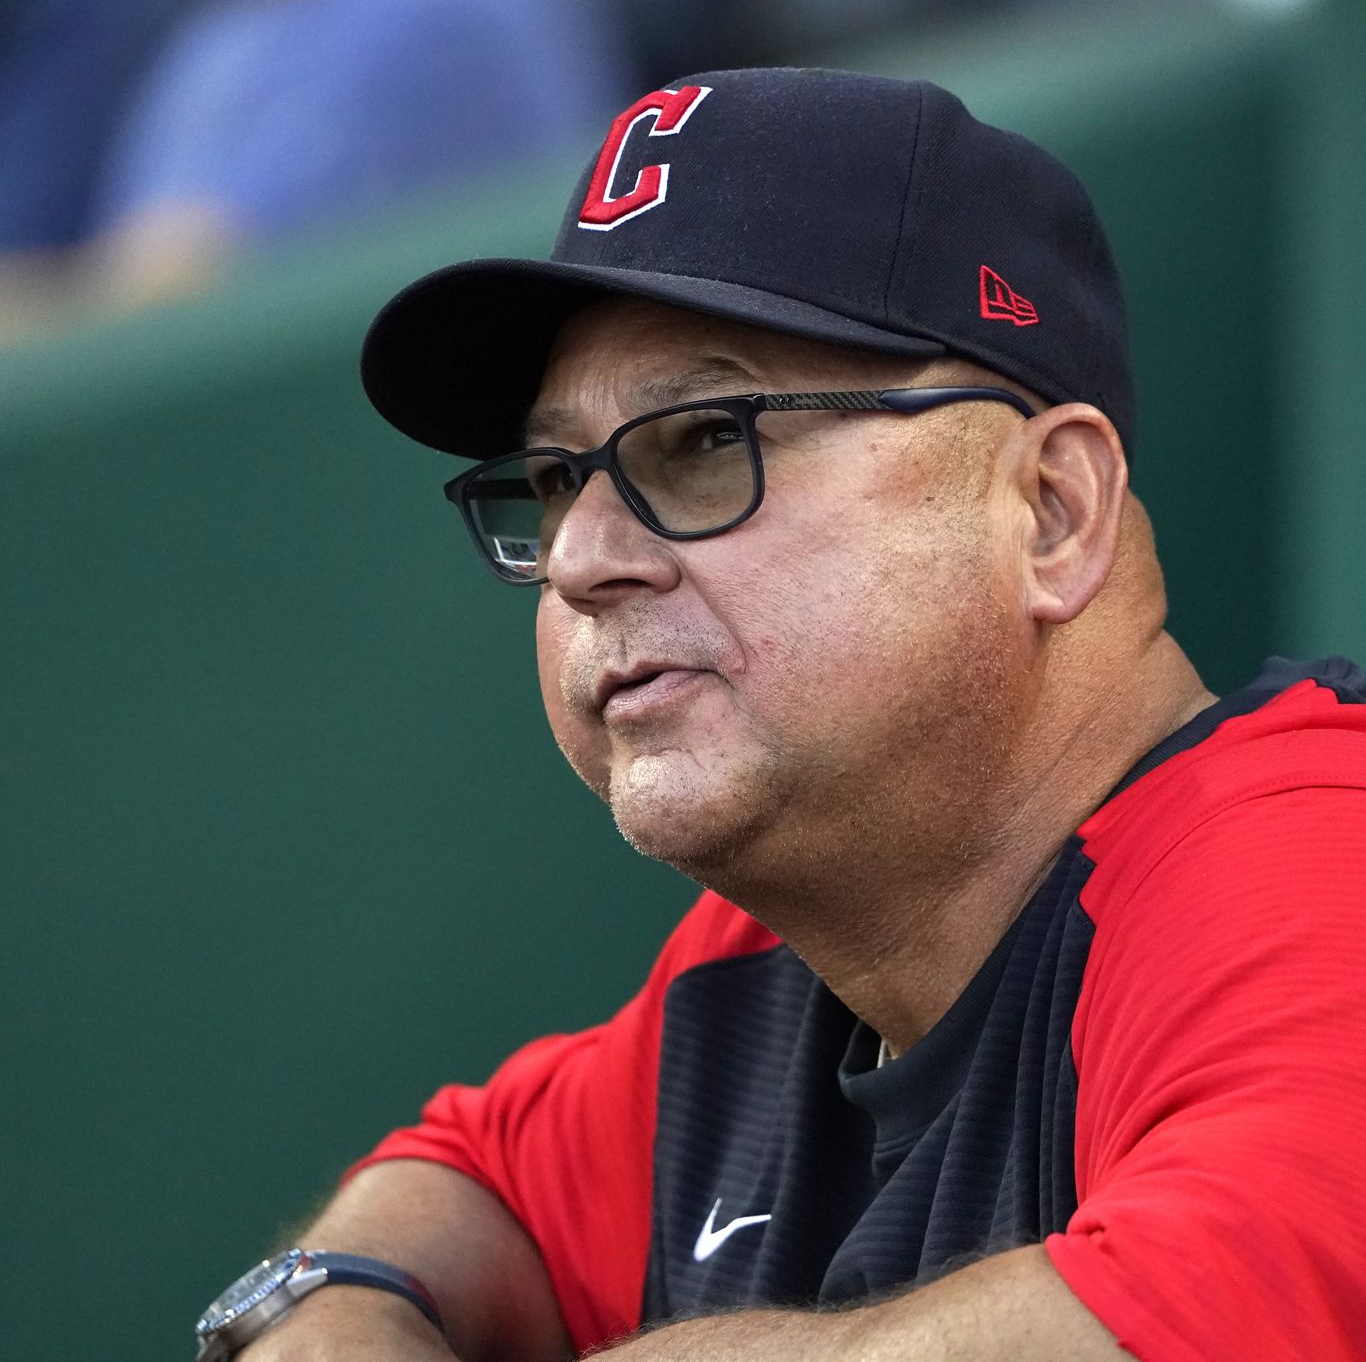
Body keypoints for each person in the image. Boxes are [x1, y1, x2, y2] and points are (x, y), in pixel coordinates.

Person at [194, 68, 1366, 1361]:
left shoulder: (1304, 860)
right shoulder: (763, 968)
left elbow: (1194, 1319)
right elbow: (472, 1180)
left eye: (702, 439)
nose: (582, 554)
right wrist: (342, 1308)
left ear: (1050, 511)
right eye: (552, 477)